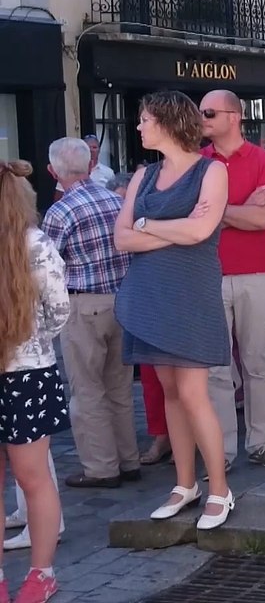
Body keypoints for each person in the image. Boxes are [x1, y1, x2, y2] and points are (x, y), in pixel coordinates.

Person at [114, 90, 234, 531]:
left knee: (193, 392)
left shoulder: (211, 170)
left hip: (189, 293)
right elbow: (122, 238)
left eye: (145, 119)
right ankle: (185, 484)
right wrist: (171, 230)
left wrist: (148, 225)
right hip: (150, 292)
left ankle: (219, 488)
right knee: (169, 393)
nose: (140, 126)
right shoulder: (143, 175)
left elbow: (203, 230)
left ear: (166, 121)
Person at [40, 138, 138, 489]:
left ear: (54, 171)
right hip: (122, 300)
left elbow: (46, 265)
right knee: (119, 386)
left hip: (84, 303)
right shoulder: (116, 200)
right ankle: (128, 459)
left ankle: (101, 467)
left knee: (87, 389)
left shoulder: (61, 211)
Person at [199, 89, 265, 469]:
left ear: (234, 116)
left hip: (256, 275)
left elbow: (263, 220)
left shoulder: (264, 161)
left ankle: (261, 441)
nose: (202, 118)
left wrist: (217, 211)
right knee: (216, 368)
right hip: (210, 274)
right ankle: (223, 450)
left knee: (257, 363)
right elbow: (193, 214)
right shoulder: (199, 162)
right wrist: (241, 209)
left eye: (210, 112)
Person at [0, 159, 71, 602]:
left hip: (24, 373)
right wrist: (33, 340)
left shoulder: (33, 246)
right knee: (34, 477)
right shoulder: (38, 243)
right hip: (28, 373)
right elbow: (60, 310)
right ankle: (39, 575)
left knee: (29, 477)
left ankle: (30, 576)